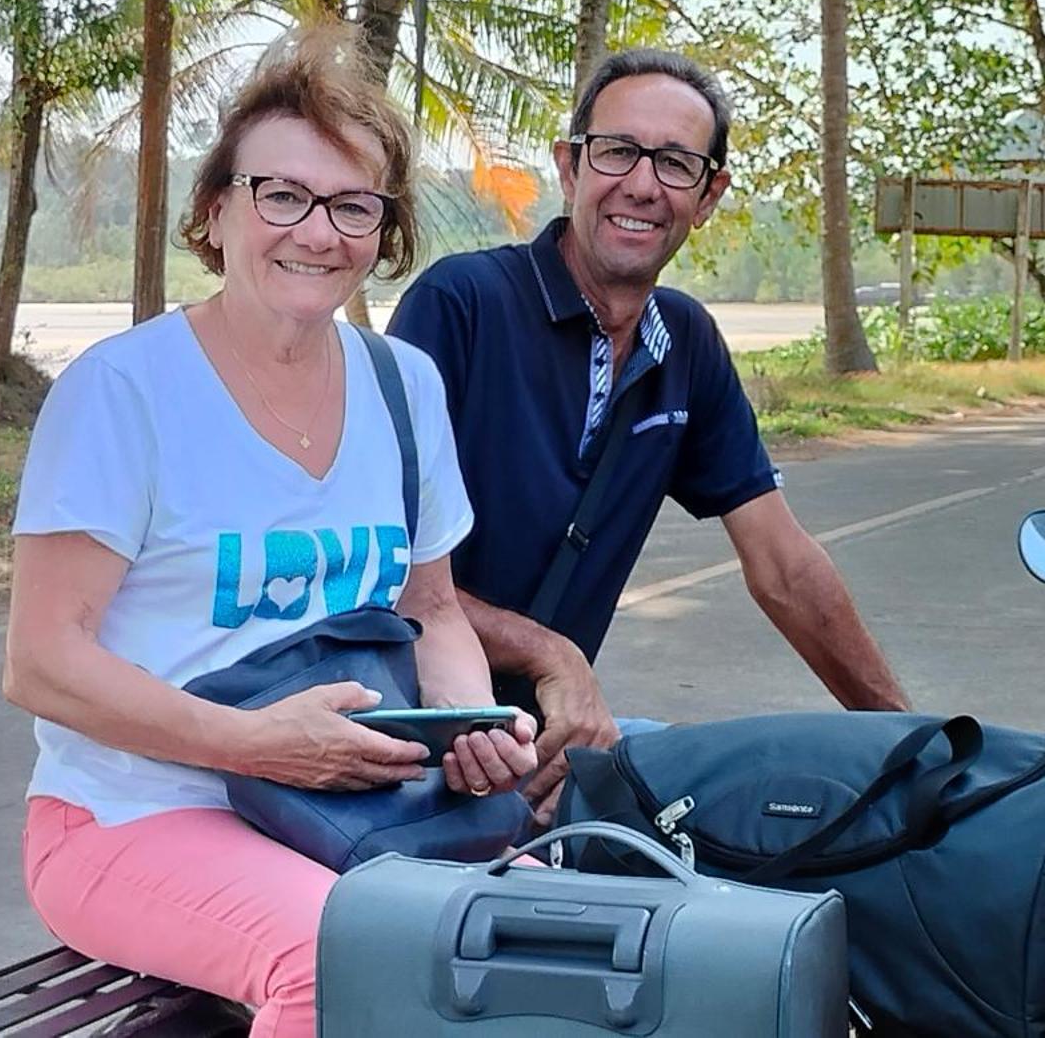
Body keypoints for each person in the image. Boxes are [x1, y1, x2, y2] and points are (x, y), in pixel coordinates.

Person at [4, 29, 536, 1038]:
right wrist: (256, 748)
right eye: (279, 195)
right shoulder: (122, 394)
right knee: (343, 961)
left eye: (351, 206)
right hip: (132, 813)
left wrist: (463, 722)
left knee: (541, 928)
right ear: (216, 209)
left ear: (384, 231)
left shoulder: (402, 386)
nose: (316, 231)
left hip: (355, 806)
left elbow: (431, 611)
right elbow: (41, 662)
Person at [389, 47, 908, 820]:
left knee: (770, 803)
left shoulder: (685, 344)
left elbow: (783, 566)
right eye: (618, 151)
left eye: (674, 163)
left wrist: (915, 744)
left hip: (552, 747)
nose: (641, 184)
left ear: (709, 196)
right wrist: (551, 652)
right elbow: (381, 569)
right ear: (570, 168)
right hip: (408, 739)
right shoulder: (462, 305)